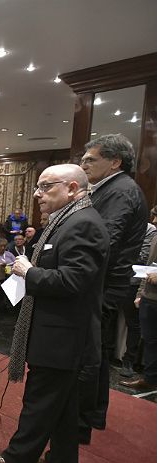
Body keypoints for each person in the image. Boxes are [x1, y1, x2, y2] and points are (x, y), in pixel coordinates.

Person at [0, 164, 109, 463]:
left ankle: (16, 461)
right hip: (61, 331)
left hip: (63, 334)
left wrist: (29, 272)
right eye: (37, 187)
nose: (37, 194)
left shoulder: (82, 224)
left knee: (40, 399)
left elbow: (73, 280)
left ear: (73, 188)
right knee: (63, 404)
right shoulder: (68, 221)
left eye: (45, 187)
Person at [78, 133, 148, 444]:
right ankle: (92, 414)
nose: (83, 163)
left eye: (91, 159)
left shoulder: (120, 191)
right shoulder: (116, 188)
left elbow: (102, 239)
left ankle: (79, 422)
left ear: (115, 162)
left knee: (87, 354)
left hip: (101, 287)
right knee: (99, 352)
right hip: (106, 285)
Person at [122, 235, 157, 392]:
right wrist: (140, 293)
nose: (154, 220)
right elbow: (151, 266)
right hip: (149, 297)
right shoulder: (156, 236)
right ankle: (150, 380)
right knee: (151, 342)